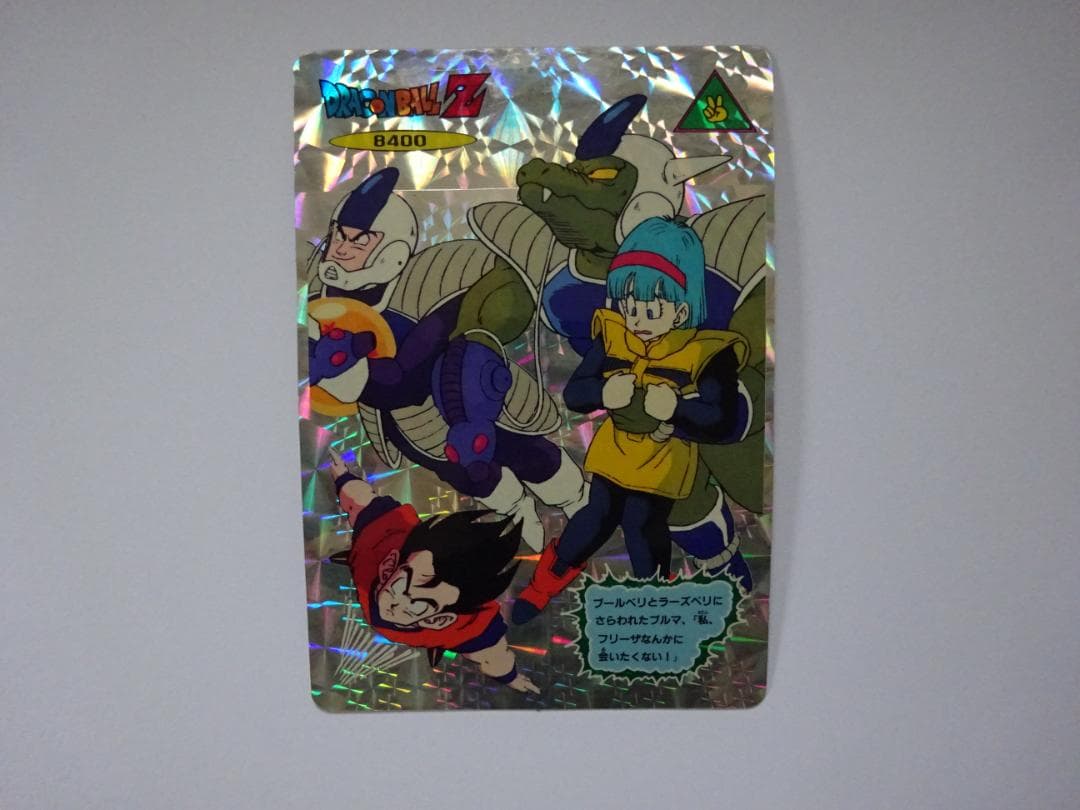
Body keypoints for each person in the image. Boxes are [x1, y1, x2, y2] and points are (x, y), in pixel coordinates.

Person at [512, 218, 749, 624]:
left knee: (642, 522)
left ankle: (651, 596)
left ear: (681, 309)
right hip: (616, 450)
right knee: (596, 516)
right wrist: (604, 392)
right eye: (629, 305)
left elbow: (723, 420)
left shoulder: (706, 352)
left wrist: (676, 408)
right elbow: (576, 393)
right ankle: (548, 579)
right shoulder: (614, 333)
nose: (637, 319)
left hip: (663, 458)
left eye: (651, 309)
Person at [326, 447, 539, 693]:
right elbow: (362, 499)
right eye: (401, 583)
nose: (398, 602)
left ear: (439, 620)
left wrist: (512, 678)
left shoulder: (468, 630)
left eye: (418, 604)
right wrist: (342, 476)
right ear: (389, 566)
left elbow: (495, 658)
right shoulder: (382, 536)